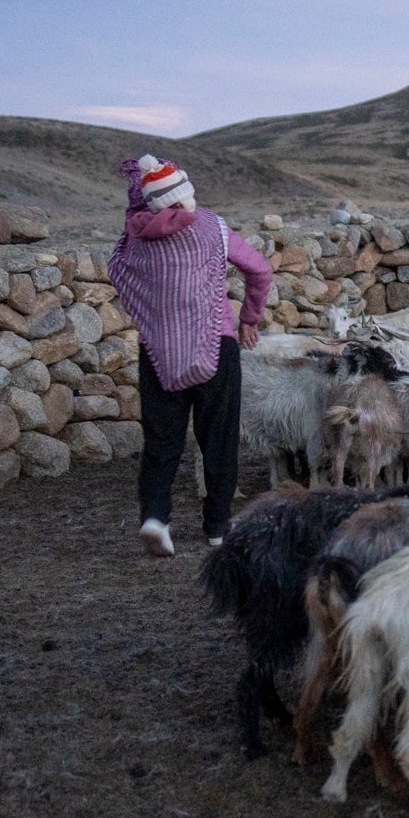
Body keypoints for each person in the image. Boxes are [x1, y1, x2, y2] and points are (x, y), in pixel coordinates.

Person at [107, 155, 273, 554]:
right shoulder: (211, 226)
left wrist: (152, 315)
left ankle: (156, 519)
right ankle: (217, 527)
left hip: (160, 352)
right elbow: (260, 270)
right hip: (216, 346)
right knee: (218, 439)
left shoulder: (133, 238)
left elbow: (118, 274)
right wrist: (249, 317)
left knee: (161, 440)